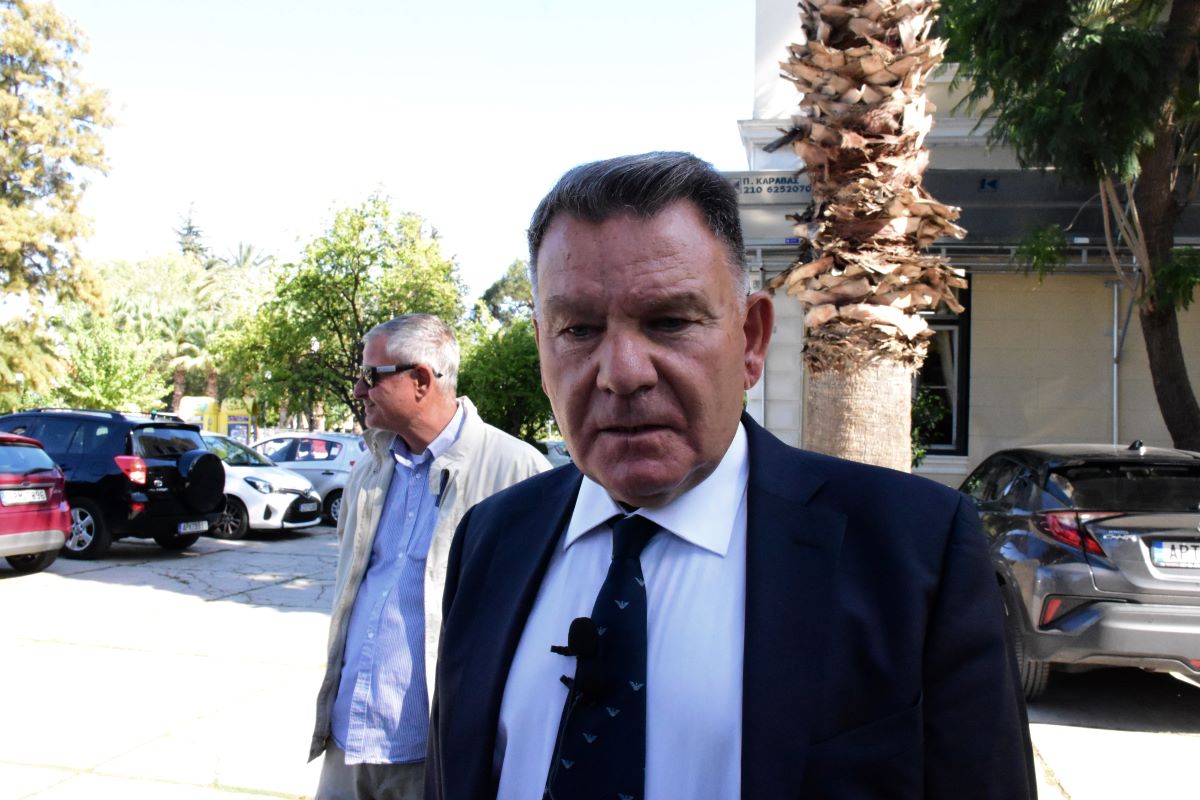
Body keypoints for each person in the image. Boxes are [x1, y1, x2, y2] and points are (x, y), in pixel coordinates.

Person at [427, 153, 1036, 799]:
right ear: (542, 347)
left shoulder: (914, 554)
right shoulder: (490, 539)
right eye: (578, 329)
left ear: (751, 339)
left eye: (669, 322)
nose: (622, 372)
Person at [309, 314, 550, 800]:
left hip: (439, 757)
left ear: (421, 379)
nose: (359, 389)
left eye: (371, 375)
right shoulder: (368, 471)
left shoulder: (519, 472)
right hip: (348, 743)